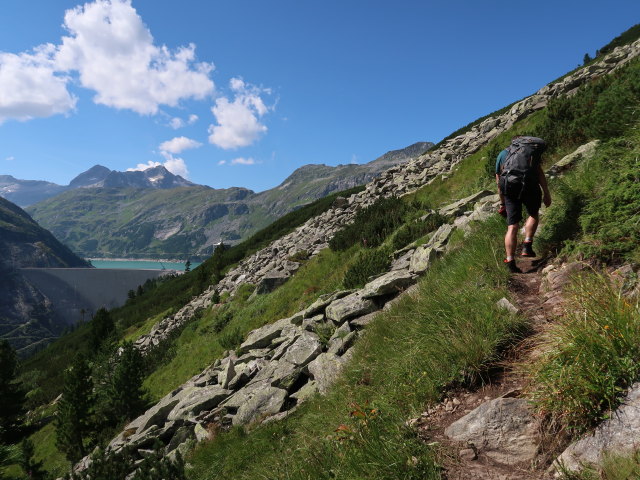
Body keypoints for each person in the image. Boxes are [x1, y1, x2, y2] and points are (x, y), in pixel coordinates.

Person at [495, 137, 552, 273]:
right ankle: (527, 245)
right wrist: (546, 193)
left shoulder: (503, 154)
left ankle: (510, 261)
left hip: (510, 188)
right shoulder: (530, 152)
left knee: (512, 226)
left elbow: (499, 180)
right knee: (533, 214)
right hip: (530, 186)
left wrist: (502, 202)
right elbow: (539, 173)